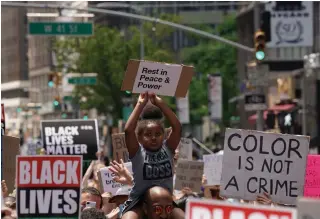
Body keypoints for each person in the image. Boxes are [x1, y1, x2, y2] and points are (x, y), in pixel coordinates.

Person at [121, 92, 182, 219]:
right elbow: (128, 130)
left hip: (165, 203)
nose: (153, 138)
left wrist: (160, 104)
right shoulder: (137, 152)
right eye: (148, 134)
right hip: (139, 202)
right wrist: (140, 104)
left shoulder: (168, 148)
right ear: (140, 138)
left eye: (158, 133)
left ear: (164, 135)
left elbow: (177, 128)